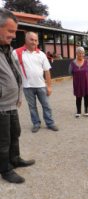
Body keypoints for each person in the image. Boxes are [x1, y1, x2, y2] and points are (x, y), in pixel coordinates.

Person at [0, 8, 35, 184]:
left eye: (15, 31)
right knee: (3, 139)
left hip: (11, 103)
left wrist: (18, 95)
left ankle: (15, 158)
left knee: (15, 132)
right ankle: (5, 169)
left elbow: (14, 73)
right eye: (10, 31)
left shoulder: (6, 49)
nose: (14, 35)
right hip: (1, 106)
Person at [13, 32, 58, 133]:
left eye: (36, 40)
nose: (34, 42)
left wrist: (49, 86)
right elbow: (12, 68)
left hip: (41, 85)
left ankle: (50, 123)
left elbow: (47, 71)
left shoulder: (41, 54)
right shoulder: (17, 52)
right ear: (26, 40)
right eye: (31, 39)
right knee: (32, 107)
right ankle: (36, 123)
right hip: (27, 86)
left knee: (46, 105)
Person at [69, 47, 88, 118]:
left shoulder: (87, 62)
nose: (81, 54)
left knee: (86, 97)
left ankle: (86, 110)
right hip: (77, 83)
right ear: (76, 53)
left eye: (82, 53)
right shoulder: (72, 63)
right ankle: (78, 111)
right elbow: (70, 72)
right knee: (78, 97)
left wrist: (87, 78)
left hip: (86, 82)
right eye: (79, 53)